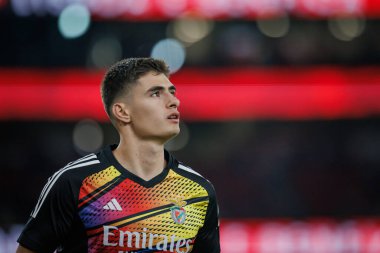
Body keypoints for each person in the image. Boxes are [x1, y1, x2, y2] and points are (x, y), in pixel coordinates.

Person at [16, 57, 220, 253]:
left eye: (172, 92)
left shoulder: (199, 191)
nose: (174, 101)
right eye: (156, 93)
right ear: (122, 112)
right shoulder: (74, 182)